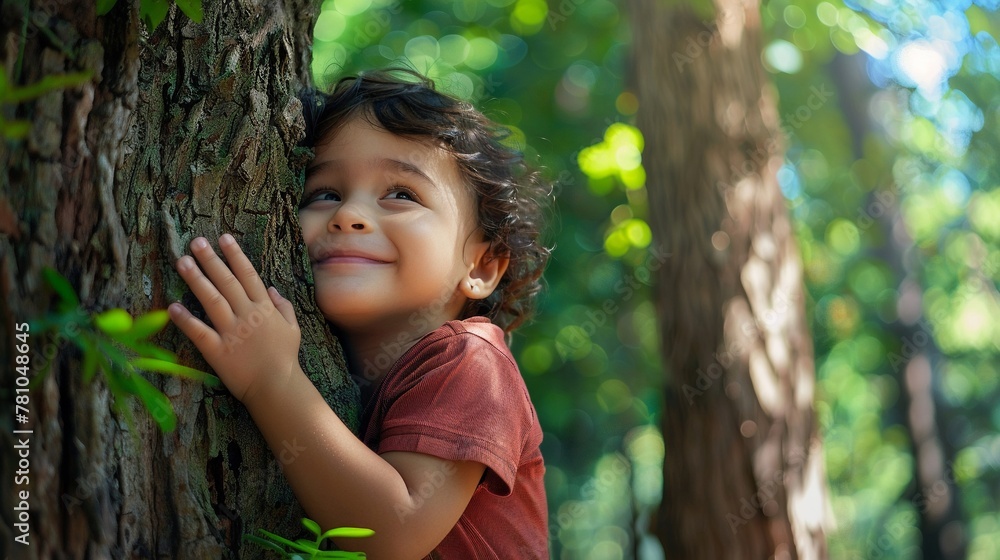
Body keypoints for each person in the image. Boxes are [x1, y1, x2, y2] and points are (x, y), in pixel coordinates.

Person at [167, 69, 551, 559]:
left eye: (401, 194)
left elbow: (392, 535)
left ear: (480, 265)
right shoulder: (340, 371)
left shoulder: (472, 360)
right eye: (324, 193)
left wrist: (271, 378)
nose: (348, 214)